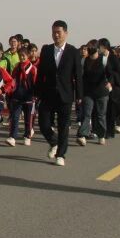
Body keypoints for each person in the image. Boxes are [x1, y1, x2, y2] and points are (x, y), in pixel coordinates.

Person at [35, 20, 83, 167]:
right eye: (54, 32)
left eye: (59, 32)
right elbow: (41, 73)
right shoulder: (46, 50)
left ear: (65, 33)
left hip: (65, 95)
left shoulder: (73, 52)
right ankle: (53, 141)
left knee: (63, 126)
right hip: (48, 93)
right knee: (43, 124)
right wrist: (37, 92)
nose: (56, 35)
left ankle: (61, 155)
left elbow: (78, 75)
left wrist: (79, 95)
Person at [77, 41, 111, 146]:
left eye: (92, 48)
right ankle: (83, 135)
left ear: (97, 48)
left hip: (101, 92)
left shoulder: (104, 60)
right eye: (89, 48)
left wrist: (109, 83)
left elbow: (110, 74)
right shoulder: (84, 60)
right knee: (86, 114)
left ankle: (101, 135)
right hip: (88, 92)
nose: (90, 49)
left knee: (101, 114)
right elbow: (81, 77)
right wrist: (80, 92)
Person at [6, 46, 37, 146]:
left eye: (23, 55)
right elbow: (12, 81)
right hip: (17, 96)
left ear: (28, 55)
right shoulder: (17, 67)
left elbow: (35, 83)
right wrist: (9, 92)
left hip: (28, 97)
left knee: (28, 119)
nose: (22, 57)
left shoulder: (33, 69)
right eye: (20, 56)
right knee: (15, 117)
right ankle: (12, 137)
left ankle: (27, 136)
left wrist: (35, 95)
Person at [100, 38, 120, 138]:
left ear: (105, 46)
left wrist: (110, 80)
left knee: (111, 109)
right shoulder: (99, 57)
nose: (98, 48)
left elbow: (118, 72)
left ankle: (110, 131)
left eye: (100, 46)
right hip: (102, 86)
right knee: (102, 110)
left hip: (114, 87)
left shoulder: (113, 57)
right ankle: (101, 131)